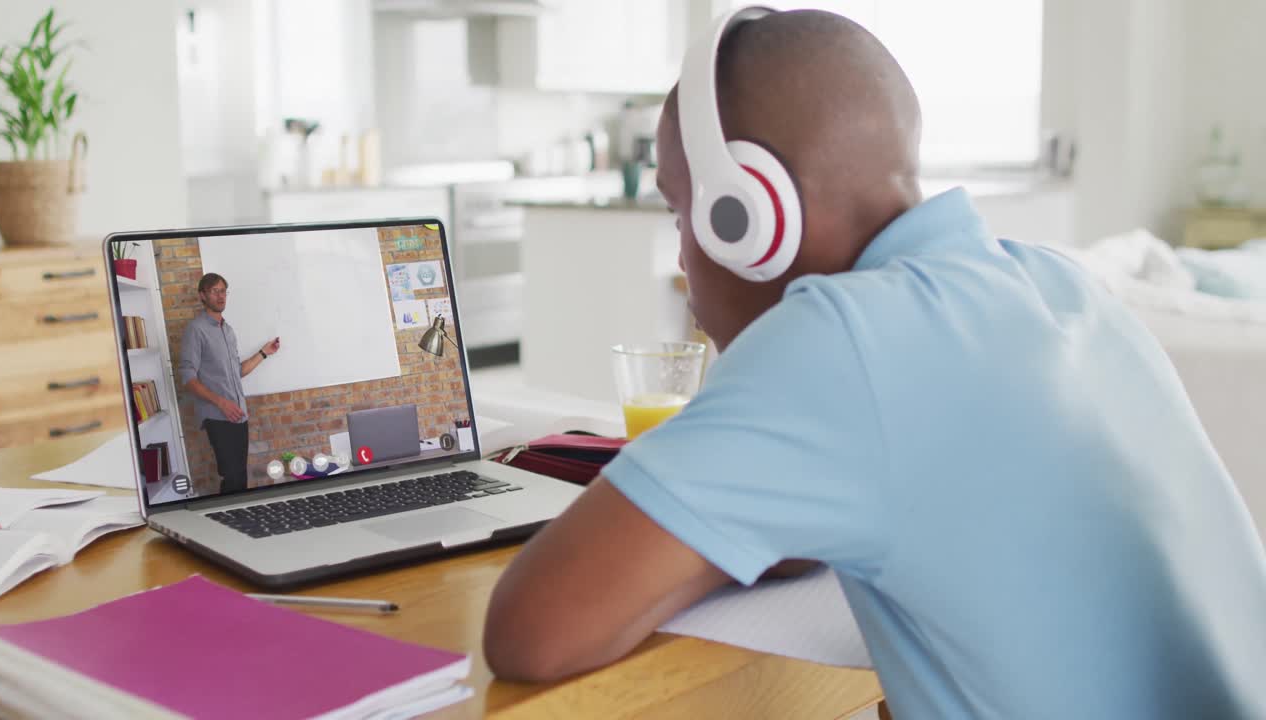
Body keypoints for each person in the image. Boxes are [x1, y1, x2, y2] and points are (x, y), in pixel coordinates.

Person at [482, 8, 1266, 718]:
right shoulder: (1057, 284)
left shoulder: (841, 337)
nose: (686, 252)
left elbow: (532, 630)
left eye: (681, 211)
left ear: (746, 215)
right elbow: (800, 540)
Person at [178, 273, 280, 494]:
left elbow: (237, 372)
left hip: (239, 415)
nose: (220, 295)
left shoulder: (228, 330)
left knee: (240, 475)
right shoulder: (195, 330)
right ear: (202, 296)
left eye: (223, 290)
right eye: (214, 291)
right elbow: (188, 378)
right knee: (232, 477)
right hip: (218, 416)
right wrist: (222, 403)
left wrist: (264, 353)